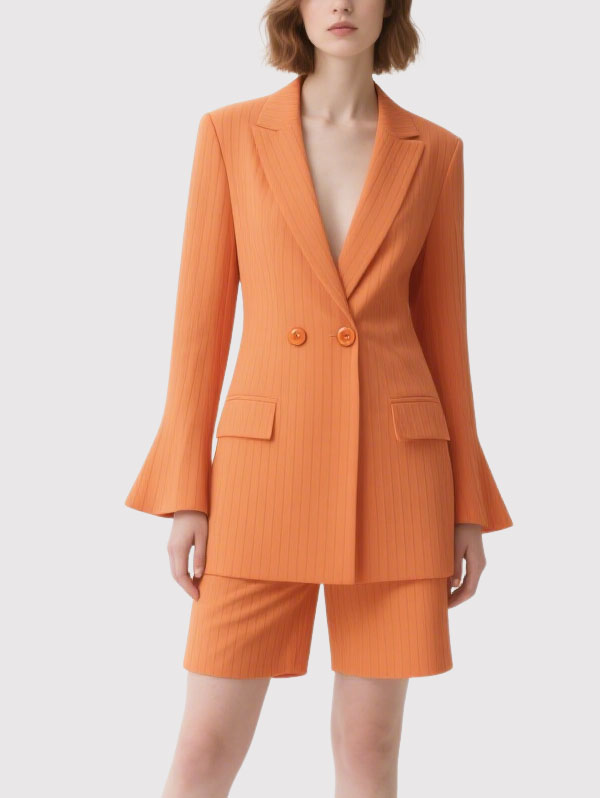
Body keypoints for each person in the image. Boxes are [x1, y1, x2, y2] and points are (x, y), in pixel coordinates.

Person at [125, 2, 513, 796]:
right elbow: (199, 325)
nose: (341, 4)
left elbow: (446, 337)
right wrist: (186, 490)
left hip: (398, 478)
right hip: (262, 477)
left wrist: (467, 503)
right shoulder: (231, 134)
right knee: (205, 747)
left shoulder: (434, 151)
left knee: (370, 747)